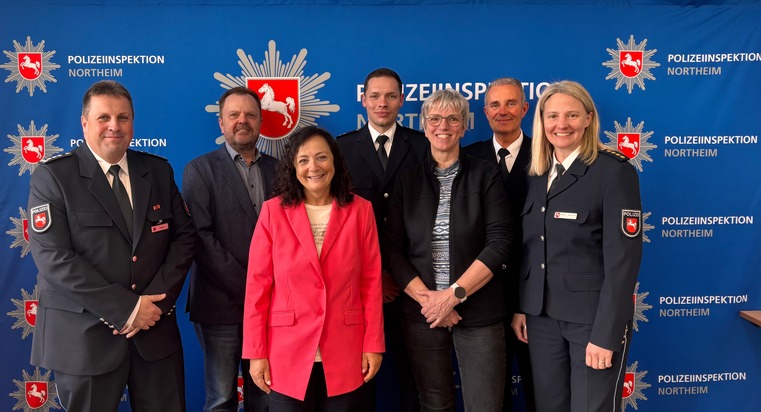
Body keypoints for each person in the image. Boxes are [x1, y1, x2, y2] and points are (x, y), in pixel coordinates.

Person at [27, 80, 195, 411]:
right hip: (84, 339)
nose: (114, 126)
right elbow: (54, 258)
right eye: (104, 117)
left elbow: (184, 237)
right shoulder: (54, 177)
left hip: (154, 332)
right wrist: (127, 309)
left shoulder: (157, 171)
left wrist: (153, 305)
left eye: (123, 117)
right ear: (84, 123)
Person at [513, 80, 642, 412]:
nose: (562, 124)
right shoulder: (537, 172)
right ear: (541, 121)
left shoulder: (613, 172)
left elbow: (623, 263)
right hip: (541, 318)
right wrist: (523, 307)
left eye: (571, 115)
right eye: (552, 116)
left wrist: (605, 334)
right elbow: (532, 248)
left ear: (588, 118)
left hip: (591, 321)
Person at [383, 89, 512, 411]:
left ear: (464, 127)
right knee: (434, 405)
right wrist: (431, 302)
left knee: (485, 406)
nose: (444, 126)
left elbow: (499, 243)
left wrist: (453, 296)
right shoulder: (406, 181)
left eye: (453, 119)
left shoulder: (486, 175)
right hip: (423, 313)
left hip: (479, 311)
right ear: (424, 126)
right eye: (435, 119)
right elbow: (393, 250)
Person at [242, 126, 385, 411]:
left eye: (321, 157)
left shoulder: (361, 210)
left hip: (346, 351)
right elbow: (258, 287)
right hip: (286, 354)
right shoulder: (272, 212)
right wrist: (256, 353)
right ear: (293, 167)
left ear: (335, 162)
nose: (313, 167)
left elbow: (371, 283)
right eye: (303, 160)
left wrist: (373, 344)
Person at [336, 67, 427, 411]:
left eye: (390, 96)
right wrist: (376, 278)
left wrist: (399, 276)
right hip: (358, 285)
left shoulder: (422, 146)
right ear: (363, 100)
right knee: (358, 376)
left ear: (402, 100)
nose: (382, 103)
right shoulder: (341, 148)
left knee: (413, 376)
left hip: (413, 282)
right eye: (375, 96)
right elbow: (338, 225)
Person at [183, 86, 277, 412]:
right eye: (234, 115)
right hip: (219, 305)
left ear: (261, 122)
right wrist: (251, 289)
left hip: (271, 308)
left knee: (265, 398)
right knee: (222, 398)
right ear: (221, 123)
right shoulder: (200, 170)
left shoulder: (281, 170)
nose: (242, 121)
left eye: (250, 115)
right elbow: (201, 238)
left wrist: (265, 294)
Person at [463, 77, 536, 412]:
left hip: (534, 294)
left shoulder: (547, 153)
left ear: (525, 108)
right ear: (485, 111)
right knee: (491, 395)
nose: (502, 111)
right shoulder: (468, 157)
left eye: (510, 103)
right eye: (495, 104)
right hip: (482, 294)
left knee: (541, 389)